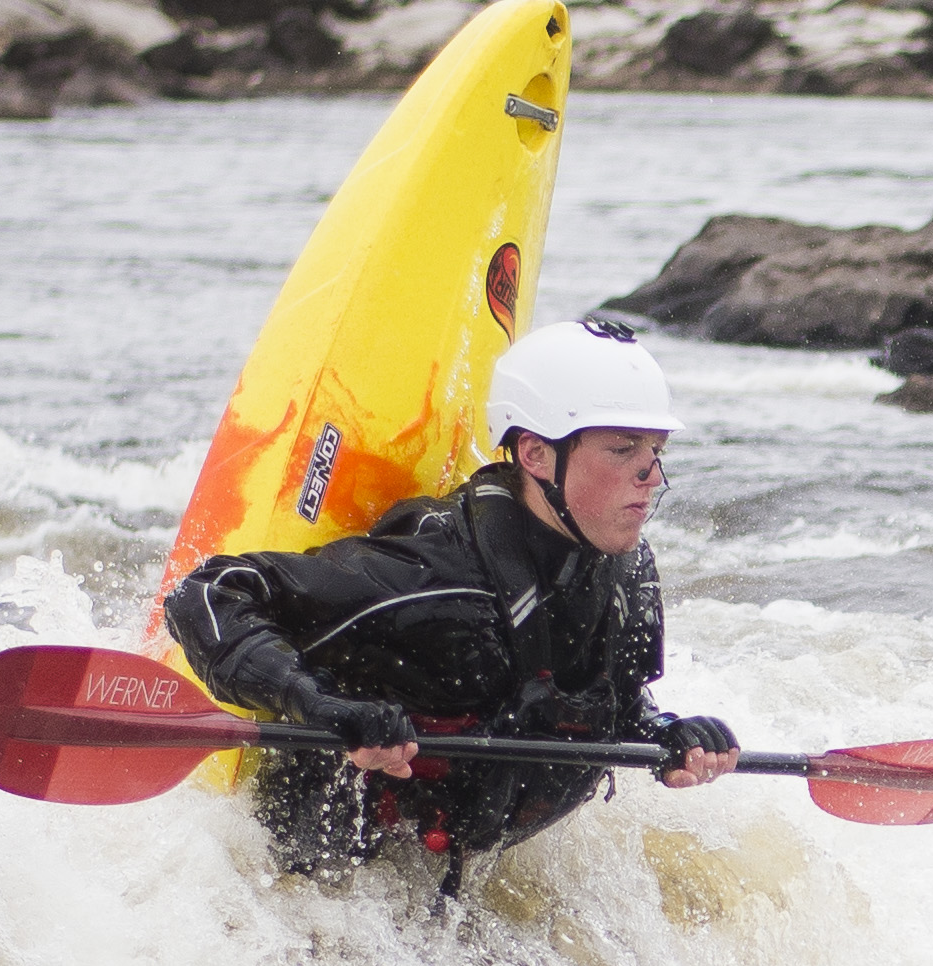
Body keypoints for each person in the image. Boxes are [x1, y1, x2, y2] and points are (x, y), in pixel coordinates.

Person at [160, 317, 736, 892]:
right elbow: (209, 591)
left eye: (657, 450)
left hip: (450, 874)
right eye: (622, 449)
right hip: (314, 880)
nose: (653, 476)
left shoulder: (624, 575)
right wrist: (318, 704)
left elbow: (610, 696)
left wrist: (665, 733)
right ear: (535, 454)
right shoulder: (429, 580)